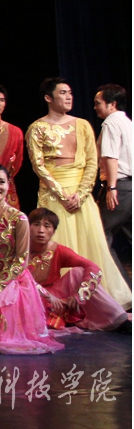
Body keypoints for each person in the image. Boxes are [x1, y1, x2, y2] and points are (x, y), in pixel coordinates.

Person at [26, 78, 131, 307]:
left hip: (80, 196)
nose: (69, 97)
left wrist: (81, 193)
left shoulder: (83, 125)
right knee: (56, 245)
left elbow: (92, 162)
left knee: (92, 245)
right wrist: (61, 194)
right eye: (63, 93)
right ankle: (60, 302)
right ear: (48, 98)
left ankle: (96, 301)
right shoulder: (37, 128)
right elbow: (38, 165)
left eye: (70, 92)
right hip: (54, 196)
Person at [0, 165, 63, 354]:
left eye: (1, 182)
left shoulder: (18, 218)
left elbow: (21, 261)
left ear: (8, 184)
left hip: (14, 283)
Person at [27, 207, 129, 332]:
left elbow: (94, 268)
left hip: (55, 298)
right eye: (36, 225)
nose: (41, 230)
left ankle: (118, 321)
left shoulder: (59, 250)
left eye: (47, 226)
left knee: (78, 273)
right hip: (26, 296)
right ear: (28, 227)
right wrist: (47, 296)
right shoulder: (19, 248)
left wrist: (79, 296)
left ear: (53, 231)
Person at [93, 83, 132, 287]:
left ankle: (125, 290)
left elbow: (111, 157)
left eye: (98, 103)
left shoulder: (110, 123)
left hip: (121, 188)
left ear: (112, 104)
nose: (95, 107)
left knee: (100, 236)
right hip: (130, 187)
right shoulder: (127, 122)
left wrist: (111, 187)